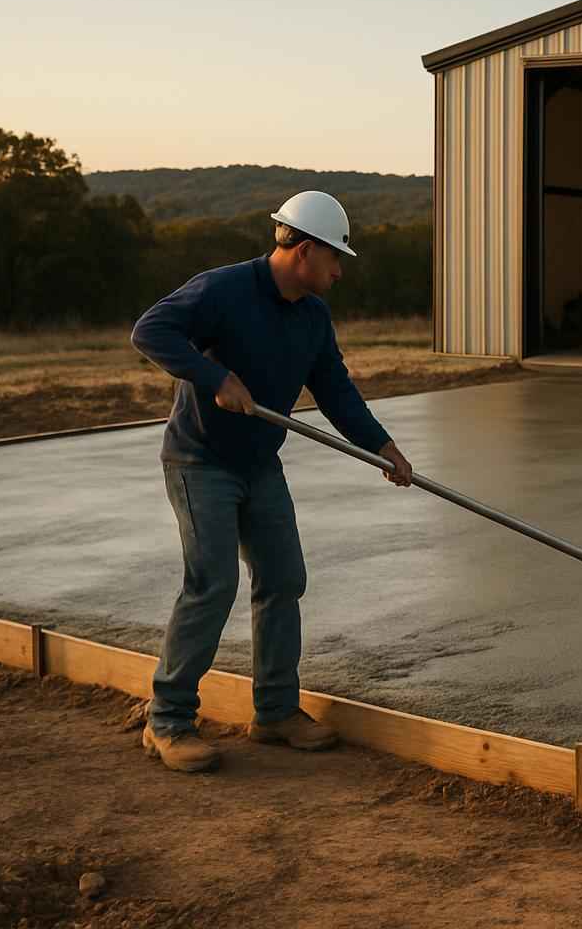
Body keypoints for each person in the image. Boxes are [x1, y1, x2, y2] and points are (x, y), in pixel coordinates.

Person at [130, 190, 413, 773]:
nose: (340, 270)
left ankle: (276, 712)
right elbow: (150, 330)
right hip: (199, 460)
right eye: (335, 258)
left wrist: (382, 448)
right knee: (211, 584)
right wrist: (213, 375)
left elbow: (335, 390)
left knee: (283, 577)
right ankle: (169, 721)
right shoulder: (224, 289)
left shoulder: (312, 316)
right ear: (304, 251)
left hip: (260, 464)